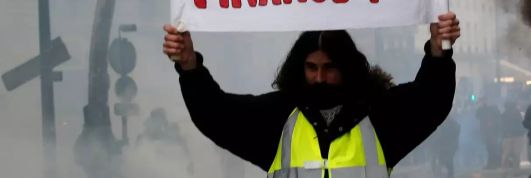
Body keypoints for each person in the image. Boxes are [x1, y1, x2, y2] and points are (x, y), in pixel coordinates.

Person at [162, 12, 461, 178]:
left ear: (346, 68)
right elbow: (216, 115)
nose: (319, 78)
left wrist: (438, 52)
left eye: (329, 68)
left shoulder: (378, 115)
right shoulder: (278, 118)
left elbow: (430, 100)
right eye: (311, 68)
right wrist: (189, 67)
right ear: (299, 68)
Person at [430, 112, 460, 178]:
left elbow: (456, 130)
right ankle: (447, 173)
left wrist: (452, 139)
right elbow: (438, 135)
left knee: (448, 160)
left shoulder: (452, 123)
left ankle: (450, 174)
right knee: (444, 159)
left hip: (449, 145)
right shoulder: (444, 123)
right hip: (443, 145)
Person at [476, 98, 503, 169]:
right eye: (481, 102)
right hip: (486, 132)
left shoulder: (493, 109)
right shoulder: (482, 110)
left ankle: (495, 163)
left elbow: (498, 118)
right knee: (489, 148)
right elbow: (477, 115)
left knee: (493, 148)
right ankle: (491, 164)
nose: (483, 103)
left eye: (484, 101)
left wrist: (493, 124)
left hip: (493, 132)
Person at [501, 100, 527, 169]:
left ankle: (508, 169)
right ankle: (512, 169)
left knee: (510, 154)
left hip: (512, 136)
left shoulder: (506, 114)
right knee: (514, 154)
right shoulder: (507, 115)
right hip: (513, 136)